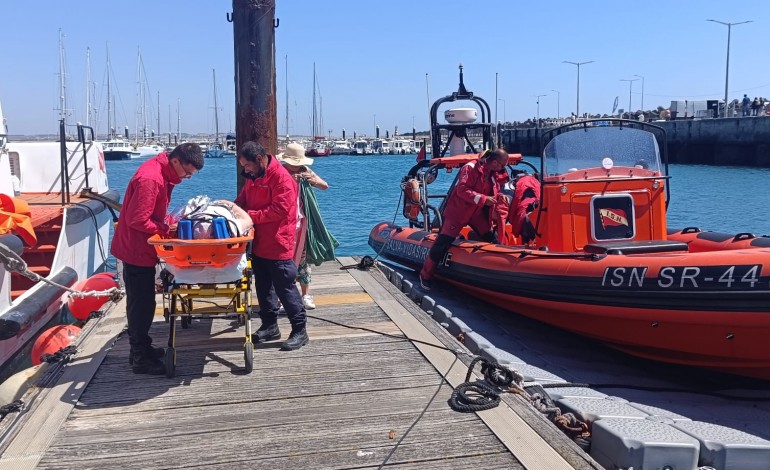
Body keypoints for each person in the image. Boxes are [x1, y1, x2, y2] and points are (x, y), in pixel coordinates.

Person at [111, 143, 204, 374]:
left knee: (142, 302)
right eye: (187, 173)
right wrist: (164, 228)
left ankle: (141, 348)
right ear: (175, 161)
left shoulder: (160, 173)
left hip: (141, 248)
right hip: (135, 249)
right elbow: (138, 219)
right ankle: (140, 357)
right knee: (141, 304)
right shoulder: (151, 179)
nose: (187, 177)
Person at [234, 141, 308, 351]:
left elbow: (279, 211)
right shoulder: (253, 176)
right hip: (259, 241)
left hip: (278, 241)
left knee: (285, 285)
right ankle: (269, 325)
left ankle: (300, 329)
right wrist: (231, 208)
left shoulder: (282, 178)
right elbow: (243, 199)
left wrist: (248, 216)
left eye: (247, 166)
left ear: (260, 160)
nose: (245, 170)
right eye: (244, 167)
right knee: (263, 286)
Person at [419, 149, 509, 290]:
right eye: (502, 165)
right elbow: (462, 190)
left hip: (476, 212)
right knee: (442, 243)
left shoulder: (492, 173)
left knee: (491, 238)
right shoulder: (470, 168)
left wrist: (499, 197)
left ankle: (498, 272)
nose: (503, 169)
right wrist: (484, 199)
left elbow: (493, 189)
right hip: (459, 212)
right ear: (495, 162)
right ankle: (425, 275)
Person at [277, 142, 329, 310]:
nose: (296, 166)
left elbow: (324, 186)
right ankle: (284, 295)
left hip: (303, 222)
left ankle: (305, 294)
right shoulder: (280, 172)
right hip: (285, 223)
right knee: (284, 259)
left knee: (303, 258)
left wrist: (312, 179)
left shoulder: (305, 171)